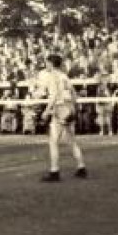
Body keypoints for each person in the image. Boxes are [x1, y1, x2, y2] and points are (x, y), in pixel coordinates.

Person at [39, 54, 87, 182]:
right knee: (71, 139)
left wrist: (47, 110)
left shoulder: (53, 76)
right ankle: (81, 167)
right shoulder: (64, 76)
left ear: (51, 63)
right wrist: (74, 108)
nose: (45, 65)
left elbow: (54, 95)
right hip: (70, 107)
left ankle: (54, 171)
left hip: (60, 108)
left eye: (47, 63)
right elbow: (74, 94)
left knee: (53, 141)